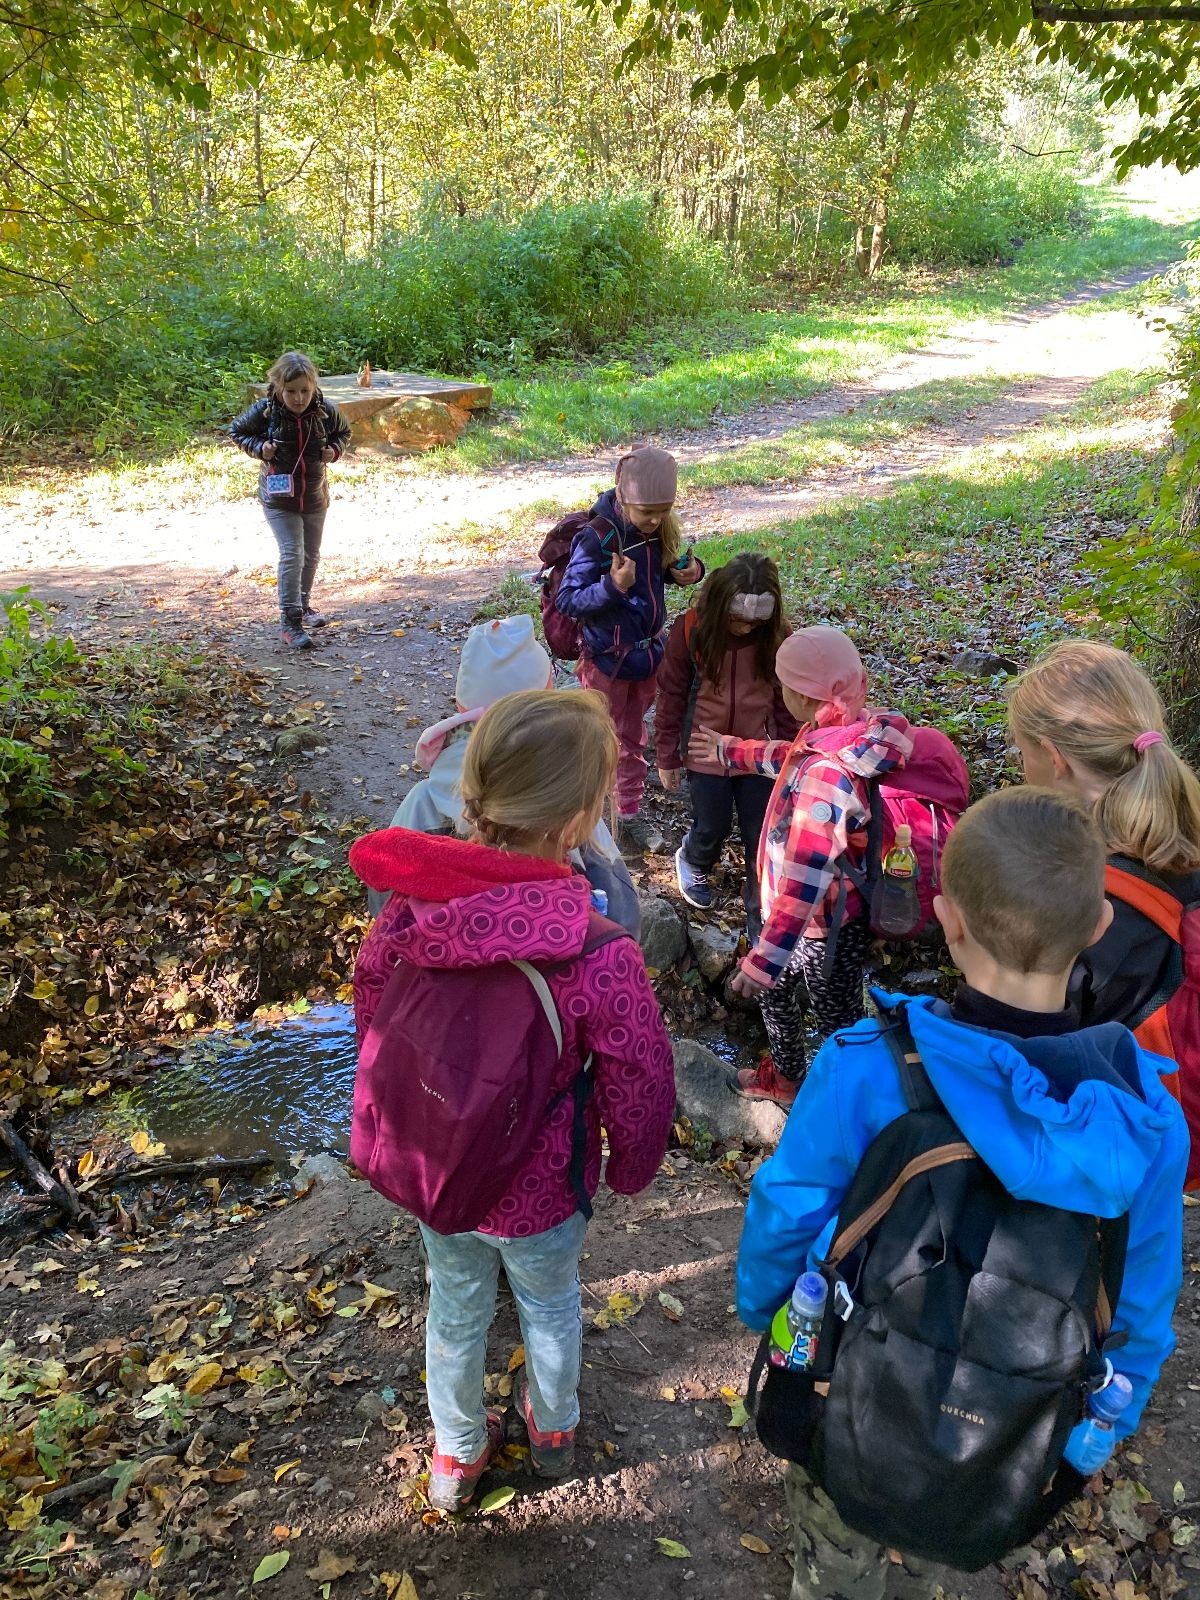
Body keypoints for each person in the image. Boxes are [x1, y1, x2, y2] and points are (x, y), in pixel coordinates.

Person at [736, 787, 1188, 1600]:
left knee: (837, 1545)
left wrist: (768, 1313)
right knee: (941, 1540)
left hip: (850, 1377)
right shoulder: (1144, 1123)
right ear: (1097, 926)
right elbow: (1142, 1300)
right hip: (1004, 1428)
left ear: (947, 921)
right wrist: (1102, 1423)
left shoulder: (867, 1065)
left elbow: (787, 1208)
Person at [349, 689, 675, 1512]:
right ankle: (554, 1427)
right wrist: (632, 1166)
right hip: (544, 1188)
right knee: (551, 1303)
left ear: (473, 790)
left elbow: (373, 1007)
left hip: (439, 1170)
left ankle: (456, 1455)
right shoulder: (598, 953)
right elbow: (638, 1074)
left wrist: (407, 1107)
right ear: (580, 821)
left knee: (454, 1306)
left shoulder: (412, 909)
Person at [689, 626, 913, 1108]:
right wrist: (732, 749)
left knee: (837, 1018)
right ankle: (788, 1078)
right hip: (812, 922)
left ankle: (845, 1103)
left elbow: (806, 878)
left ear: (803, 696)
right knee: (778, 995)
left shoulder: (827, 776)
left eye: (783, 685)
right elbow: (791, 759)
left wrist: (764, 959)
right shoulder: (847, 732)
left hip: (826, 928)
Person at [1008, 638, 1200, 1180]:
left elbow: (1033, 1053)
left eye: (1022, 752)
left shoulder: (1082, 902)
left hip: (1132, 1153)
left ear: (1054, 758)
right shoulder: (1184, 837)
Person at [366, 615, 639, 935]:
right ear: (548, 702)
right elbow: (622, 912)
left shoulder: (422, 801)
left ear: (461, 707)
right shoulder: (569, 800)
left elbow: (384, 899)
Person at [555, 445, 703, 855]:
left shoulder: (655, 532)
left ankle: (626, 810)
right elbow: (568, 599)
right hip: (607, 660)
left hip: (646, 655)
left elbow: (658, 576)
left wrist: (690, 572)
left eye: (664, 511)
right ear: (623, 497)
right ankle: (595, 815)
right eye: (647, 512)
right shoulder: (596, 537)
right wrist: (612, 586)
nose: (655, 520)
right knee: (605, 738)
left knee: (632, 736)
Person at [654, 552, 797, 932]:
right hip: (704, 750)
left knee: (760, 832)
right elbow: (671, 694)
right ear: (720, 605)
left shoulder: (777, 637)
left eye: (755, 623)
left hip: (759, 752)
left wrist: (789, 753)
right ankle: (694, 859)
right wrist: (667, 755)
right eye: (738, 620)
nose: (746, 629)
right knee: (712, 825)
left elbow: (786, 699)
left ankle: (760, 909)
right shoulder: (691, 630)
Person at [229, 351, 352, 650]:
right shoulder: (266, 411)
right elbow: (237, 431)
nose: (299, 398)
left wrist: (334, 451)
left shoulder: (325, 411)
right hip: (278, 499)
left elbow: (344, 432)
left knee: (310, 554)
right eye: (291, 391)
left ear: (314, 387)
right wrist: (260, 447)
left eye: (305, 391)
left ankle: (304, 605)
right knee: (292, 553)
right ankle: (290, 622)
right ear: (278, 388)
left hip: (314, 495)